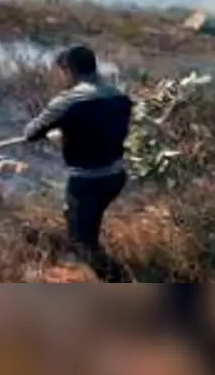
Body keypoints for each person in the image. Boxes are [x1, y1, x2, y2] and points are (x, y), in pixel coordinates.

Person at [23, 45, 133, 262]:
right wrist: (68, 130)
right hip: (116, 176)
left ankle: (111, 278)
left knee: (81, 243)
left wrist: (59, 130)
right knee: (89, 228)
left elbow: (30, 133)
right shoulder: (119, 95)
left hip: (87, 181)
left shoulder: (67, 101)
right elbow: (105, 129)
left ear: (68, 70)